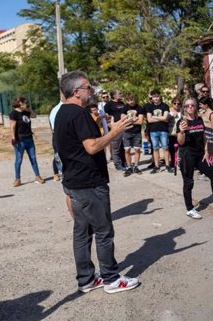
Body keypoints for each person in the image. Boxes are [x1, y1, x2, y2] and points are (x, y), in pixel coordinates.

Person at [54, 70, 140, 293]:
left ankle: (86, 279)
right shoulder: (78, 114)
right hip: (88, 183)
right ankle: (111, 279)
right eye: (87, 87)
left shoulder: (61, 112)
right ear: (76, 92)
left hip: (73, 182)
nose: (90, 90)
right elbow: (91, 146)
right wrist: (115, 131)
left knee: (82, 232)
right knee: (103, 231)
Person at [176, 97, 213, 219]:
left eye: (192, 105)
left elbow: (204, 136)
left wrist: (206, 151)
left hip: (200, 154)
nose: (190, 107)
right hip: (187, 155)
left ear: (196, 106)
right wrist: (181, 131)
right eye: (187, 106)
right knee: (188, 182)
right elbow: (180, 142)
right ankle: (190, 209)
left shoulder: (199, 120)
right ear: (184, 108)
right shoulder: (182, 122)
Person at [10, 96, 43, 186]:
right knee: (19, 160)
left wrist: (28, 108)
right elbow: (12, 127)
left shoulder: (26, 112)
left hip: (29, 139)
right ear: (19, 103)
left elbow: (34, 115)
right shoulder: (14, 113)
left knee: (33, 158)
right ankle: (17, 179)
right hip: (20, 140)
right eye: (24, 102)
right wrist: (13, 138)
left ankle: (37, 176)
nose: (26, 103)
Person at [145, 89, 171, 173]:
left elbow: (166, 118)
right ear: (151, 98)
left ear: (160, 96)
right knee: (155, 148)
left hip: (163, 130)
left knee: (165, 148)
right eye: (154, 97)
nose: (156, 98)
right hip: (153, 131)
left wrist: (155, 117)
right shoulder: (149, 106)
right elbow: (149, 120)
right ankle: (156, 166)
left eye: (157, 96)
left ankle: (167, 166)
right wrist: (161, 118)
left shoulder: (165, 106)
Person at [121, 94, 145, 176]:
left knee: (137, 150)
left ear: (135, 100)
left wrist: (129, 120)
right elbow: (122, 120)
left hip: (137, 132)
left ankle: (136, 166)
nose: (130, 102)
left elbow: (140, 121)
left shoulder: (139, 108)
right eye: (128, 100)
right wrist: (135, 119)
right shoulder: (124, 108)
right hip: (127, 132)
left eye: (132, 100)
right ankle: (129, 167)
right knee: (127, 150)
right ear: (126, 101)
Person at [104, 90, 127, 171]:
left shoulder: (122, 103)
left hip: (123, 126)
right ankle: (117, 164)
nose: (121, 94)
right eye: (119, 93)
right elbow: (107, 117)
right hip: (115, 129)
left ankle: (124, 162)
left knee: (123, 147)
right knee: (116, 147)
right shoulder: (108, 105)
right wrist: (111, 126)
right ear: (114, 95)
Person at [167, 97, 182, 173]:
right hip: (171, 133)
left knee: (180, 149)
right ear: (172, 103)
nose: (177, 105)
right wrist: (171, 116)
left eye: (178, 104)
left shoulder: (182, 111)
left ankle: (179, 164)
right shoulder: (169, 110)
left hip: (180, 133)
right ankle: (173, 164)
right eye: (175, 103)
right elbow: (165, 120)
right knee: (172, 150)